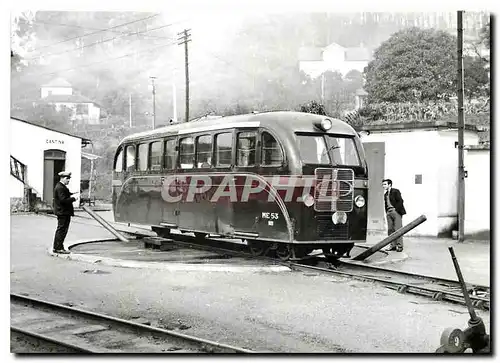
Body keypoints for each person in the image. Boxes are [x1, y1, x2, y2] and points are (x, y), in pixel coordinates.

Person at [52, 171, 79, 254]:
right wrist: (74, 198)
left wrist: (72, 193)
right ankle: (58, 248)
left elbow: (64, 194)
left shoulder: (61, 186)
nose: (68, 181)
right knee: (62, 230)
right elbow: (63, 200)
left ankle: (58, 247)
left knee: (62, 230)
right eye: (67, 179)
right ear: (63, 178)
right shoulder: (60, 187)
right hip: (63, 212)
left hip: (63, 212)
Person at [382, 179, 406, 252]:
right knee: (390, 230)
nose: (383, 186)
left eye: (385, 184)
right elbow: (386, 204)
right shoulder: (385, 194)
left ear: (389, 185)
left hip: (396, 211)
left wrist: (396, 210)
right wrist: (387, 212)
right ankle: (392, 245)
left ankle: (399, 246)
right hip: (389, 212)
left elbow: (400, 201)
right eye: (383, 184)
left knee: (398, 229)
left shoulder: (395, 191)